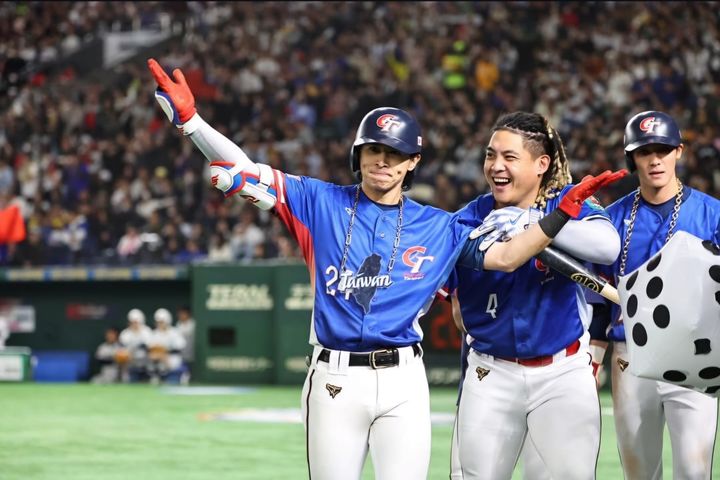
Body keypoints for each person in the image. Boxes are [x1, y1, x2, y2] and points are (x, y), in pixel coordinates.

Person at [147, 58, 625, 480]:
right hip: (335, 377)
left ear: (412, 162)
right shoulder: (319, 201)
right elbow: (245, 168)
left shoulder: (440, 226)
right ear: (358, 153)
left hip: (404, 378)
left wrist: (557, 214)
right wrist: (191, 124)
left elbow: (505, 257)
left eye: (394, 153)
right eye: (373, 149)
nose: (382, 160)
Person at [449, 111, 622, 480]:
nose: (496, 166)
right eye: (490, 155)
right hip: (490, 371)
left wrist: (536, 223)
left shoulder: (567, 202)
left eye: (509, 157)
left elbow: (607, 247)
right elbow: (457, 303)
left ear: (542, 163)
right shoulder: (470, 217)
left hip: (563, 371)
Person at [589, 110, 720, 480]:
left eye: (663, 150)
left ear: (678, 152)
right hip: (631, 355)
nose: (655, 159)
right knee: (640, 474)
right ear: (633, 158)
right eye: (646, 151)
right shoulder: (611, 219)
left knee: (695, 473)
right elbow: (599, 298)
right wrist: (594, 356)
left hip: (694, 355)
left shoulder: (713, 214)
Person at [146, 308, 186, 385]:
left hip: (172, 363)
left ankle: (181, 376)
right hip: (158, 365)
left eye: (162, 322)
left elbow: (180, 348)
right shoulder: (154, 334)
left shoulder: (174, 332)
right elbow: (149, 349)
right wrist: (157, 353)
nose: (160, 324)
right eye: (158, 322)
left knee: (172, 383)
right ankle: (155, 376)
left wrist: (164, 352)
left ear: (167, 321)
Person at [118, 308, 152, 383]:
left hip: (145, 364)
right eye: (132, 322)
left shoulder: (147, 332)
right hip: (131, 365)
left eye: (136, 322)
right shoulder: (125, 334)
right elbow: (121, 350)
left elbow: (150, 349)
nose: (134, 324)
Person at [175, 305, 195, 385]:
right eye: (180, 314)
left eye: (183, 314)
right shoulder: (178, 324)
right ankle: (184, 374)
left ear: (188, 314)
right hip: (182, 352)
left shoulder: (193, 324)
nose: (181, 316)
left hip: (192, 350)